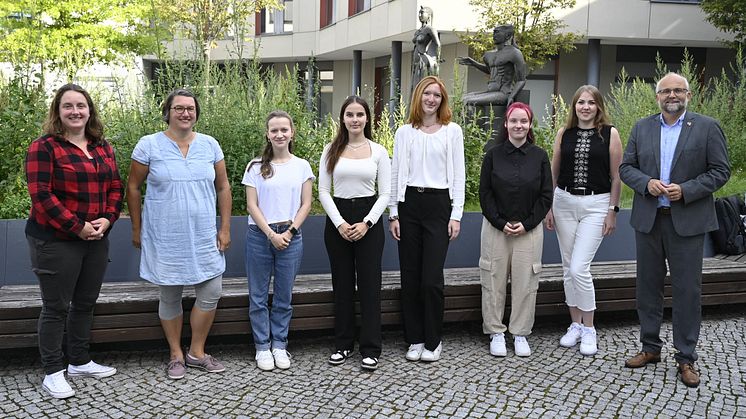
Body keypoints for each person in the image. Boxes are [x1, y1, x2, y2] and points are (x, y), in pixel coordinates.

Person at [619, 72, 730, 387]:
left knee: (687, 291)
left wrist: (688, 189)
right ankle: (650, 347)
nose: (672, 95)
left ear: (689, 95)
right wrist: (646, 183)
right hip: (650, 220)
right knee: (647, 288)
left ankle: (686, 358)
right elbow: (626, 168)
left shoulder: (707, 127)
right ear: (657, 96)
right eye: (666, 91)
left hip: (688, 221)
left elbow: (721, 171)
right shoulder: (642, 127)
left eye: (678, 90)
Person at [25, 84, 123, 399]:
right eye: (68, 106)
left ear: (89, 110)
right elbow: (41, 195)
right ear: (58, 112)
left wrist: (108, 219)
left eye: (81, 105)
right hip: (55, 240)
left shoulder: (102, 146)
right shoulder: (44, 147)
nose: (75, 112)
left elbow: (116, 186)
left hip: (96, 238)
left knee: (84, 303)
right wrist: (76, 226)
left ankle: (79, 360)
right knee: (55, 307)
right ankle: (53, 371)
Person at [127, 89, 232, 380]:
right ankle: (175, 354)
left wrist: (224, 227)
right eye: (178, 108)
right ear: (168, 112)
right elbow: (133, 187)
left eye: (190, 108)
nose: (185, 113)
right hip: (164, 235)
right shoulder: (149, 145)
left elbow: (223, 187)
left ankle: (197, 352)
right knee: (170, 293)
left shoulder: (210, 145)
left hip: (204, 235)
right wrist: (137, 228)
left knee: (212, 291)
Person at [389, 75, 465, 362]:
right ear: (418, 97)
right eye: (427, 94)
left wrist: (456, 214)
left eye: (436, 95)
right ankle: (415, 339)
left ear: (442, 100)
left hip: (438, 205)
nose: (431, 99)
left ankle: (433, 340)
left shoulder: (451, 131)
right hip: (409, 206)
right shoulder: (404, 132)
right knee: (410, 276)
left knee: (431, 279)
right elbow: (396, 173)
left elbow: (459, 174)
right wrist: (393, 213)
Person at [544, 85, 623, 357]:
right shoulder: (563, 133)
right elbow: (553, 174)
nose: (585, 107)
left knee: (580, 267)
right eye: (580, 102)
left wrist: (613, 210)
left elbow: (616, 176)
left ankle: (589, 328)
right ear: (574, 106)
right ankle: (574, 324)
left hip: (596, 204)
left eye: (591, 102)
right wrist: (549, 207)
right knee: (568, 267)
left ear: (598, 106)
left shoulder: (610, 133)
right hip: (564, 202)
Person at [318, 96, 391, 371]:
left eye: (360, 114)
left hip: (368, 219)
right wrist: (339, 223)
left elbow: (385, 194)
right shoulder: (331, 149)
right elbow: (324, 192)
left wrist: (367, 223)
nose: (355, 119)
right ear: (343, 118)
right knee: (343, 285)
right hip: (338, 219)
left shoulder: (379, 151)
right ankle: (343, 344)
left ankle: (371, 348)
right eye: (350, 114)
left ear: (367, 118)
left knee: (370, 286)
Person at [478, 102, 552, 358]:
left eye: (524, 121)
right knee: (493, 278)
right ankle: (496, 332)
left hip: (528, 231)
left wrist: (528, 223)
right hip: (495, 229)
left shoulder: (540, 156)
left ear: (530, 125)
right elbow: (484, 194)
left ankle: (520, 332)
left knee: (526, 282)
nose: (518, 125)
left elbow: (546, 195)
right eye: (514, 121)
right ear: (506, 124)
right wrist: (500, 222)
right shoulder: (493, 155)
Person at [243, 110, 314, 371]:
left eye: (284, 129)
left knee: (284, 297)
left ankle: (279, 345)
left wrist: (289, 233)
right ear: (268, 134)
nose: (279, 134)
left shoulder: (302, 166)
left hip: (291, 237)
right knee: (258, 297)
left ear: (291, 133)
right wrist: (271, 235)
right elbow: (252, 205)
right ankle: (262, 347)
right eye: (274, 130)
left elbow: (306, 204)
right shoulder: (254, 166)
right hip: (260, 237)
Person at [457, 24, 527, 107]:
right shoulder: (488, 54)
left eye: (497, 32)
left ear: (507, 35)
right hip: (490, 92)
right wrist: (474, 63)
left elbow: (521, 80)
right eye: (493, 32)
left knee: (467, 100)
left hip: (503, 93)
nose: (494, 35)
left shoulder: (514, 53)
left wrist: (511, 96)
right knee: (462, 98)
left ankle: (468, 119)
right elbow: (490, 71)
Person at [411, 6, 441, 94]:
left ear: (428, 15)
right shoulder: (418, 31)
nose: (420, 15)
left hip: (423, 59)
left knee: (422, 84)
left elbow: (438, 44)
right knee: (415, 84)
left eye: (422, 13)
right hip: (415, 59)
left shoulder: (430, 29)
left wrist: (436, 58)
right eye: (419, 13)